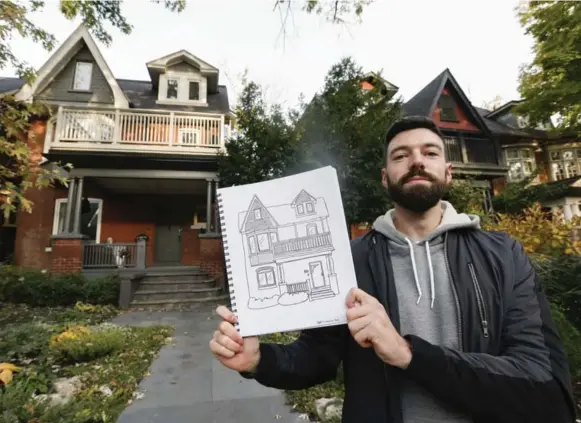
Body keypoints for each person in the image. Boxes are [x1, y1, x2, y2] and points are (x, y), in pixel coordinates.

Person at [209, 115, 576, 423]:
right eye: (401, 155)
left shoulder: (503, 256)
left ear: (448, 173)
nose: (416, 161)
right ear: (386, 178)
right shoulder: (351, 259)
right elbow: (315, 359)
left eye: (429, 152)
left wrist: (408, 353)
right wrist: (258, 360)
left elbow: (543, 382)